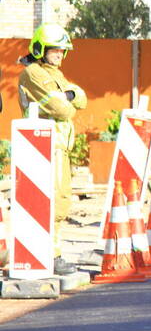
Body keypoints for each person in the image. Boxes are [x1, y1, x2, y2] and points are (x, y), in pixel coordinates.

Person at [17, 23, 86, 276]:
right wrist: (70, 98)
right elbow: (62, 109)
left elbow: (83, 97)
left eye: (62, 50)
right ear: (40, 49)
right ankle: (50, 254)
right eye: (54, 49)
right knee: (54, 201)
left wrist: (71, 94)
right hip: (45, 145)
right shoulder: (34, 73)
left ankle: (49, 251)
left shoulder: (54, 74)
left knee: (62, 199)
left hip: (58, 146)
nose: (60, 54)